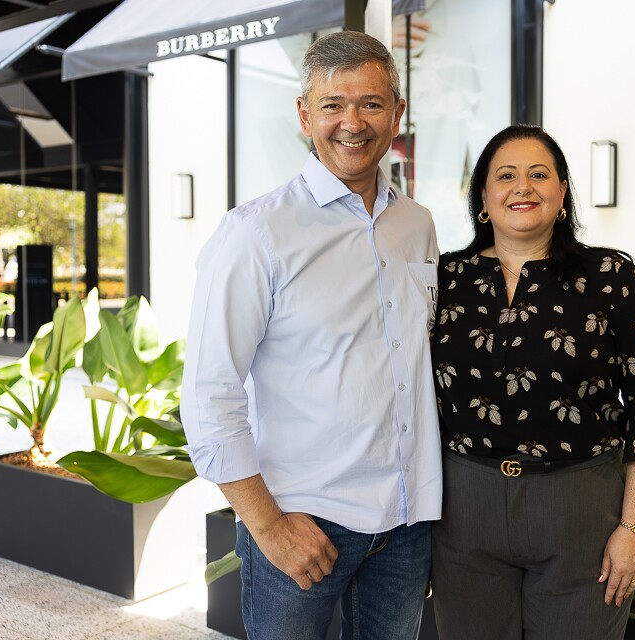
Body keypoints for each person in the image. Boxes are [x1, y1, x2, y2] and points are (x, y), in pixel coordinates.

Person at [181, 31, 442, 640]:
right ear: (305, 114)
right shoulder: (255, 234)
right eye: (333, 105)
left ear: (397, 114)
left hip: (407, 526)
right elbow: (208, 395)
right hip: (303, 525)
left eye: (372, 104)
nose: (352, 122)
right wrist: (268, 528)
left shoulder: (417, 224)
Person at [429, 125, 635, 639]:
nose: (522, 187)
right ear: (483, 197)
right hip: (463, 508)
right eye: (506, 175)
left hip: (580, 506)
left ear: (562, 191)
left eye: (539, 174)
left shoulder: (609, 276)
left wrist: (634, 528)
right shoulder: (444, 279)